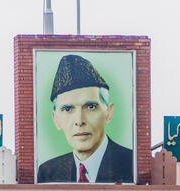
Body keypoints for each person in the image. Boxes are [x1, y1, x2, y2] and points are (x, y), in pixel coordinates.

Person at [37, 54, 133, 183]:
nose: (79, 121)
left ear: (108, 113)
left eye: (91, 107)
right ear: (56, 119)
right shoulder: (48, 172)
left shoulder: (132, 165)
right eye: (67, 109)